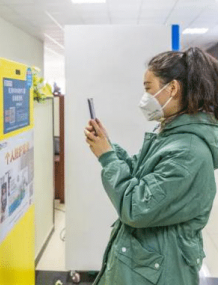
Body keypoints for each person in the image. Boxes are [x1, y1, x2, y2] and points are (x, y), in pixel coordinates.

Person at [84, 47, 218, 285]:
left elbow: (136, 207)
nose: (145, 98)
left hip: (159, 271)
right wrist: (108, 148)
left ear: (173, 88)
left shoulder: (188, 152)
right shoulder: (171, 135)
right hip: (146, 263)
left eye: (148, 88)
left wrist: (107, 158)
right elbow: (139, 173)